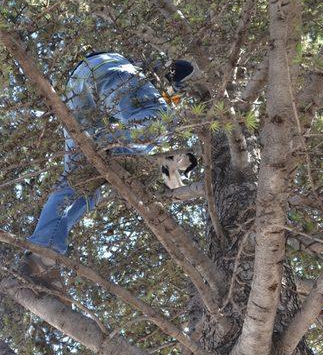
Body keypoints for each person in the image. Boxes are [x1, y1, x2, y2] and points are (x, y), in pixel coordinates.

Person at [20, 52, 197, 290]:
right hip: (110, 70)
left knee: (82, 181)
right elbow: (181, 69)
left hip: (79, 83)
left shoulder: (143, 94)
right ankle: (119, 149)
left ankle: (42, 253)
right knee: (158, 124)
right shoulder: (158, 85)